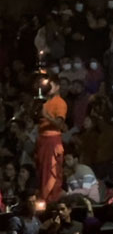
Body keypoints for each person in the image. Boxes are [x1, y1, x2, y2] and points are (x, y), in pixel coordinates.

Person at [37, 74, 68, 202]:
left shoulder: (60, 103)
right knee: (42, 172)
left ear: (57, 86)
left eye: (51, 85)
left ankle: (51, 200)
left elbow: (60, 124)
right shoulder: (45, 102)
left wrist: (47, 116)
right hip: (42, 140)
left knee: (52, 172)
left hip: (52, 140)